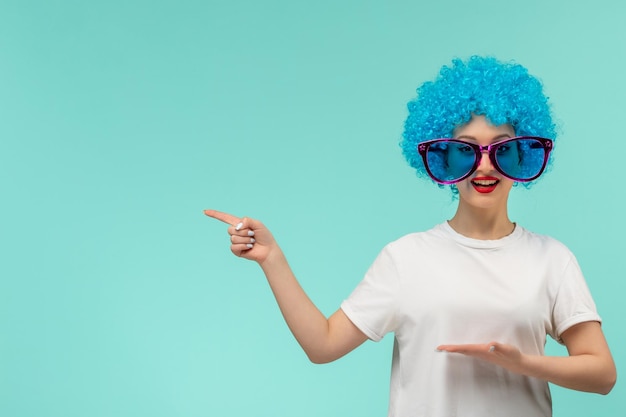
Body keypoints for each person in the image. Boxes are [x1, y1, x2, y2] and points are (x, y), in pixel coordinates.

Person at [205, 56, 616, 417]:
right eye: (465, 150)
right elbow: (323, 345)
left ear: (523, 155)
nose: (485, 166)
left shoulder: (552, 259)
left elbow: (602, 374)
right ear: (440, 159)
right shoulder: (406, 258)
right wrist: (272, 258)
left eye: (503, 150)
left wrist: (523, 363)